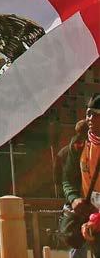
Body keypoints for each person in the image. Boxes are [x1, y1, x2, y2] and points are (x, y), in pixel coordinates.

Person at [63, 96, 100, 258]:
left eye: (96, 114)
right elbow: (67, 179)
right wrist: (74, 199)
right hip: (87, 212)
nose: (90, 118)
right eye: (88, 113)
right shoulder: (78, 143)